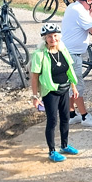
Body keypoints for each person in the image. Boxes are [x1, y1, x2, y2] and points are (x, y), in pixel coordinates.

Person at [29, 23, 80, 162]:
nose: (53, 39)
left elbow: (69, 69)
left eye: (55, 36)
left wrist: (73, 87)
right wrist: (35, 96)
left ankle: (64, 145)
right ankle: (52, 151)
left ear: (59, 36)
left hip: (64, 88)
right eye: (49, 36)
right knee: (52, 121)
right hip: (50, 91)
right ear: (44, 39)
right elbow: (34, 77)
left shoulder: (63, 50)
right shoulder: (39, 54)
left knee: (65, 118)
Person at [60, 0, 92, 127]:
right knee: (78, 85)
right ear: (88, 1)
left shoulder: (73, 7)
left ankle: (71, 114)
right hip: (72, 55)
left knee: (71, 85)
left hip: (69, 53)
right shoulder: (81, 11)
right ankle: (85, 117)